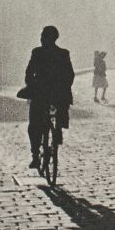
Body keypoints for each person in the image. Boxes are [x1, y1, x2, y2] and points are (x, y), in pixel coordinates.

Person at [24, 26, 75, 169]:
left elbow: (29, 72)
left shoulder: (37, 53)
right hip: (58, 94)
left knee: (34, 125)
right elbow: (70, 74)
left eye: (42, 36)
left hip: (40, 93)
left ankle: (35, 156)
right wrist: (64, 88)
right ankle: (58, 128)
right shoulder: (63, 53)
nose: (41, 39)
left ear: (46, 38)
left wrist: (30, 85)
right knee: (61, 106)